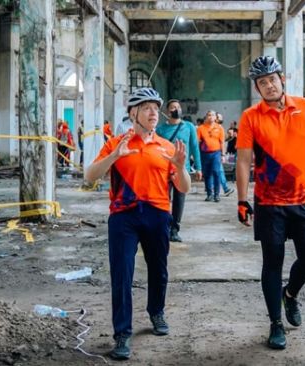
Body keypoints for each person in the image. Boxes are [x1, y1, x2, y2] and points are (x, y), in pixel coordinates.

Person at [236, 56, 305, 350]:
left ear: (282, 79)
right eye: (262, 82)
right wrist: (242, 199)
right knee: (273, 263)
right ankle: (275, 323)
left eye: (272, 79)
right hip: (269, 204)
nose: (268, 85)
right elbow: (244, 160)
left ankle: (291, 294)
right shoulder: (251, 117)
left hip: (303, 199)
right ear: (258, 88)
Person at [85, 88, 191, 361]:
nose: (154, 112)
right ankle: (122, 333)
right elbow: (90, 176)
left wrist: (180, 167)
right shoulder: (116, 143)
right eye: (146, 108)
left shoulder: (167, 148)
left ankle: (156, 311)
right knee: (121, 273)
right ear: (133, 113)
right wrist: (114, 157)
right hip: (123, 216)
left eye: (156, 108)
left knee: (159, 269)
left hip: (157, 214)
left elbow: (184, 188)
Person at [155, 99, 203, 243]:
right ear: (167, 111)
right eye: (173, 107)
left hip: (183, 170)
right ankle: (163, 228)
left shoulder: (188, 127)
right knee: (164, 200)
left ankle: (175, 230)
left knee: (179, 201)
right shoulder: (161, 129)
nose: (176, 109)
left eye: (178, 107)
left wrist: (199, 168)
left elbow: (195, 147)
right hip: (164, 170)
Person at [197, 110, 226, 202]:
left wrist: (223, 155)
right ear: (206, 117)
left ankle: (217, 195)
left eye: (213, 115)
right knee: (207, 174)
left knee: (216, 172)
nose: (211, 117)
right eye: (209, 115)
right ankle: (209, 194)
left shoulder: (220, 128)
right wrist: (196, 155)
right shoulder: (200, 128)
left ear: (215, 117)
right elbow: (197, 142)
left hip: (216, 153)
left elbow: (222, 142)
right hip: (204, 154)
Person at [216, 113, 236, 195]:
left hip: (217, 153)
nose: (221, 120)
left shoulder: (220, 128)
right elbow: (222, 141)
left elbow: (224, 140)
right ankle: (224, 189)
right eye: (220, 118)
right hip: (214, 153)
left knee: (218, 171)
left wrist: (231, 137)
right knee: (219, 171)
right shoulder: (215, 128)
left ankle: (211, 189)